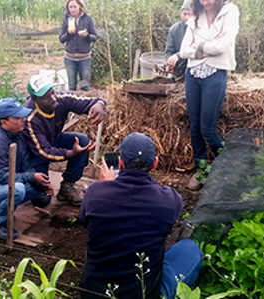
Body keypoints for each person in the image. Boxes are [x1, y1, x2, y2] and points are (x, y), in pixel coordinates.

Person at [79, 133, 203, 299]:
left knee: (98, 240)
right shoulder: (169, 199)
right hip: (143, 293)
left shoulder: (95, 192)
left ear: (120, 162)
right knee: (190, 249)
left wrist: (105, 186)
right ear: (155, 163)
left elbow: (84, 221)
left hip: (94, 293)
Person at [0, 98, 53, 239]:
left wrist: (40, 182)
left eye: (22, 116)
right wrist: (31, 177)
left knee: (36, 189)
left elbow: (26, 165)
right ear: (4, 122)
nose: (23, 119)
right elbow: (2, 176)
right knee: (18, 189)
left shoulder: (17, 135)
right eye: (17, 117)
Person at [179, 0, 240, 190]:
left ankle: (228, 166)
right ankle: (201, 169)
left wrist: (198, 46)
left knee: (207, 128)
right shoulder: (196, 16)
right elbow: (183, 50)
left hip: (215, 73)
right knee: (195, 125)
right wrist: (205, 47)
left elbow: (222, 46)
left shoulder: (230, 11)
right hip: (193, 74)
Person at [23, 74, 106, 206]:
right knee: (42, 200)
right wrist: (70, 153)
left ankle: (67, 186)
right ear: (35, 99)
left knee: (82, 140)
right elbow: (43, 152)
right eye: (46, 97)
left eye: (52, 93)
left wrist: (99, 104)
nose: (52, 98)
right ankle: (25, 179)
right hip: (34, 154)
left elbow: (89, 101)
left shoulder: (60, 99)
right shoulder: (29, 117)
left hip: (53, 140)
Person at [59, 0, 97, 91]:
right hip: (70, 58)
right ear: (68, 8)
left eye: (74, 6)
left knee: (85, 86)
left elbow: (94, 37)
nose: (72, 9)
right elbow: (61, 39)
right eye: (70, 7)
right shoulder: (66, 19)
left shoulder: (88, 19)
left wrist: (87, 35)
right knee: (72, 86)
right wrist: (68, 33)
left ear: (80, 6)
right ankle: (73, 104)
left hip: (84, 58)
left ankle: (84, 104)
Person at [165, 0, 193, 79]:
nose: (187, 17)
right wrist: (170, 62)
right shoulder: (174, 29)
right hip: (177, 72)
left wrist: (179, 56)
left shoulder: (199, 29)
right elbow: (169, 51)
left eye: (190, 14)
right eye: (185, 14)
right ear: (180, 13)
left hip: (193, 70)